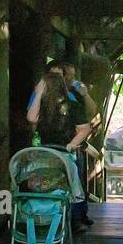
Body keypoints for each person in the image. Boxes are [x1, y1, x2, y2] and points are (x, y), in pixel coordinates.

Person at [28, 70, 92, 233]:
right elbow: (31, 118)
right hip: (44, 152)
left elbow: (85, 129)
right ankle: (41, 216)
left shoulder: (72, 106)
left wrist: (71, 144)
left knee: (72, 185)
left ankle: (74, 221)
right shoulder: (42, 106)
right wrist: (38, 95)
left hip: (63, 151)